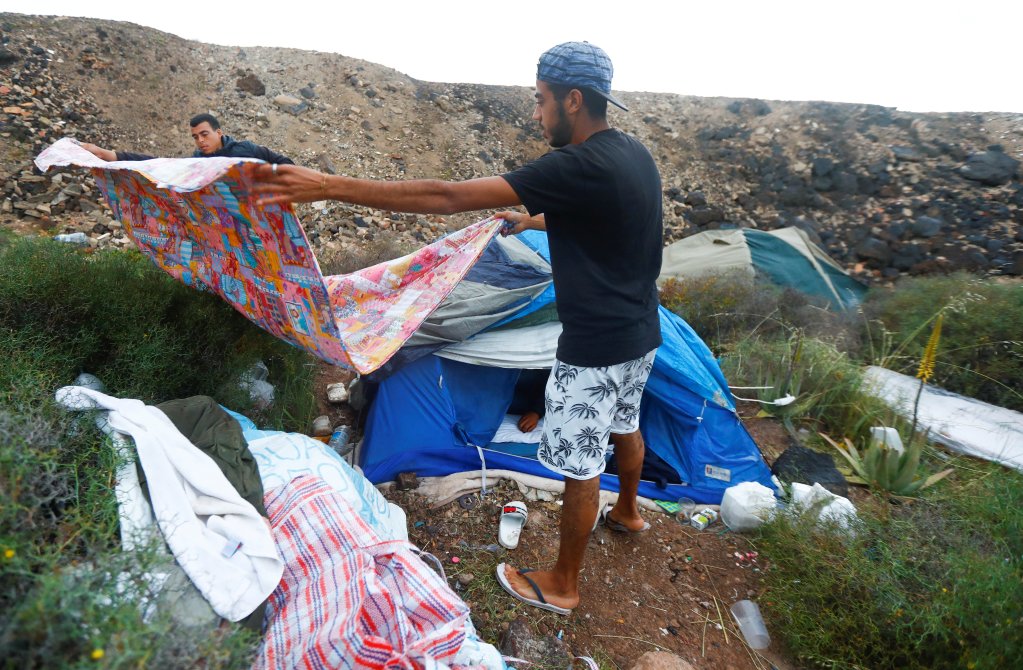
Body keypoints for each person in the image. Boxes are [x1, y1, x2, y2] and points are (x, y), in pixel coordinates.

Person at [253, 41, 662, 615]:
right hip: (641, 333)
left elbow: (446, 197)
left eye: (541, 100)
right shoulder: (630, 153)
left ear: (573, 100)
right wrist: (532, 220)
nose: (536, 113)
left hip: (594, 344)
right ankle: (629, 512)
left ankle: (564, 583)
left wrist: (327, 185)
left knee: (581, 461)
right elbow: (599, 214)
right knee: (626, 423)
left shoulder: (576, 163)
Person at [79, 113, 294, 165]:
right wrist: (108, 154)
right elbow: (158, 164)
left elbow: (285, 163)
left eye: (204, 134)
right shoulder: (197, 162)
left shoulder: (245, 149)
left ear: (219, 132)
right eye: (195, 137)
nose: (200, 140)